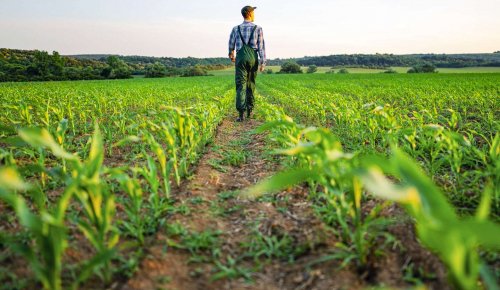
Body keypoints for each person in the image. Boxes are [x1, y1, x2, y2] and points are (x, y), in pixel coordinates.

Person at [228, 6, 266, 122]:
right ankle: (250, 110)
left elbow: (231, 44)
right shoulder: (258, 28)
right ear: (249, 13)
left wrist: (231, 54)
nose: (254, 15)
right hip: (253, 58)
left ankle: (241, 114)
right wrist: (263, 62)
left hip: (241, 58)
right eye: (253, 12)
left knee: (241, 85)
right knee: (251, 84)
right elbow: (261, 47)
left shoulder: (236, 28)